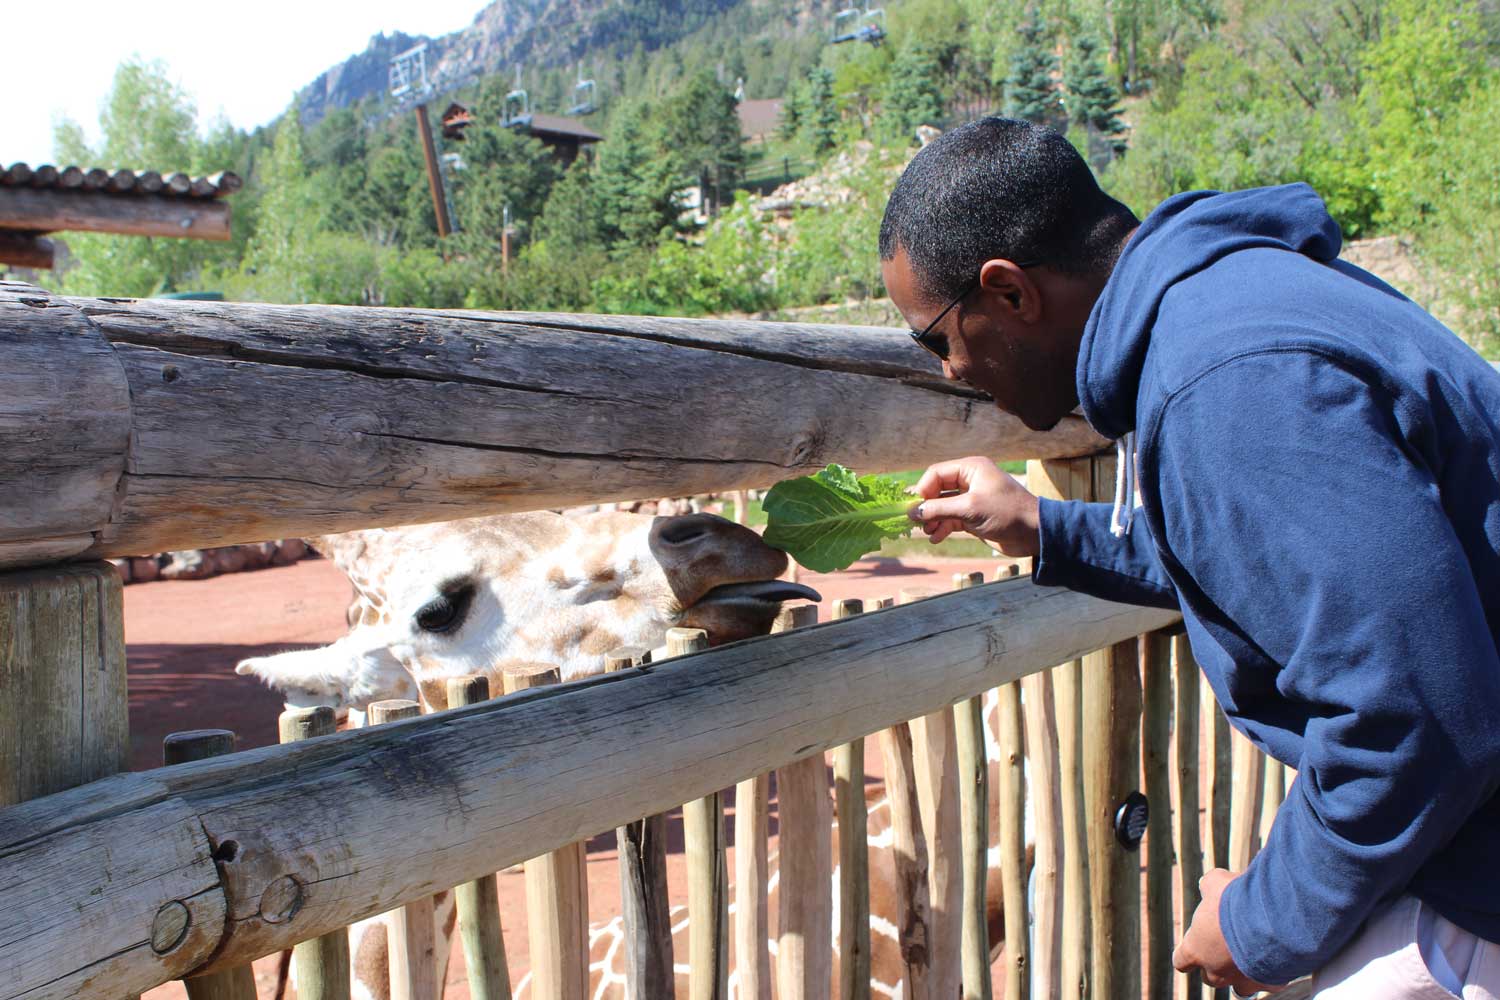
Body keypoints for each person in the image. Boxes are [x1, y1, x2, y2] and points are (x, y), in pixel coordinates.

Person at [881, 117, 1500, 998]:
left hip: (1473, 886)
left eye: (934, 336)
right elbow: (1268, 559)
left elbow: (1418, 716)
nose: (946, 371)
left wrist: (1259, 923)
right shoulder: (1233, 303)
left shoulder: (1228, 381)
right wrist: (1044, 526)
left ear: (1010, 293)